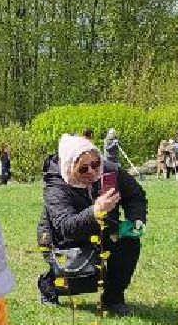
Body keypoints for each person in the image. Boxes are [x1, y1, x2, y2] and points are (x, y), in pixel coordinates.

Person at [38, 133, 146, 315]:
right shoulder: (56, 187)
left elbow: (135, 195)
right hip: (61, 239)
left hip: (103, 229)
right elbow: (66, 226)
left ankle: (114, 299)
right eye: (83, 169)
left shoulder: (110, 171)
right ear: (69, 166)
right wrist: (95, 212)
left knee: (128, 243)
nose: (92, 172)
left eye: (96, 164)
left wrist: (136, 219)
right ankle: (49, 284)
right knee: (85, 278)